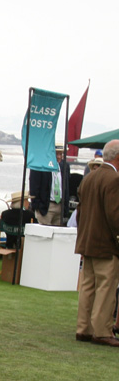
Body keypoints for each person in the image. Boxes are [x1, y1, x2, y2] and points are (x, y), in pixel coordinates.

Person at [74, 139, 119, 347]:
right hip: (106, 244)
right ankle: (101, 331)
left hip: (88, 241)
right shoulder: (113, 179)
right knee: (105, 288)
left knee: (88, 286)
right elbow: (115, 215)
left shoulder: (90, 178)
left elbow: (81, 213)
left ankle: (84, 328)